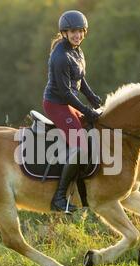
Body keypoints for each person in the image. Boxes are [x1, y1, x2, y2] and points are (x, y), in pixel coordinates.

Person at [43, 10, 102, 213]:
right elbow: (66, 93)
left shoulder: (77, 50)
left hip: (68, 102)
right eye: (72, 31)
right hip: (56, 104)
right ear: (64, 33)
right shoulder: (60, 56)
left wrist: (93, 97)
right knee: (81, 145)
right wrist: (86, 109)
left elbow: (80, 78)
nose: (77, 35)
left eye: (79, 31)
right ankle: (58, 197)